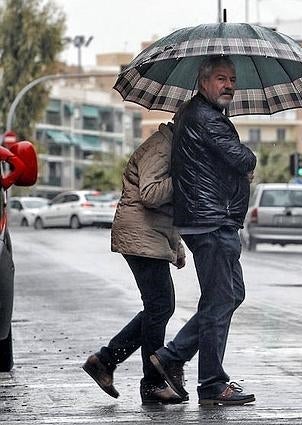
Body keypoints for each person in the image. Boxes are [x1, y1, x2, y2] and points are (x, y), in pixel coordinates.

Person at [150, 55, 257, 406]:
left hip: (214, 219)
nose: (229, 85)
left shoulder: (204, 116)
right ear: (203, 82)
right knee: (220, 300)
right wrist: (248, 158)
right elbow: (241, 160)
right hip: (211, 220)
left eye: (232, 80)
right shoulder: (206, 117)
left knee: (230, 296)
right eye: (222, 79)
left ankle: (173, 356)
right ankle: (211, 383)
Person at [82, 122, 186, 404]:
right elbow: (151, 195)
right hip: (141, 233)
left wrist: (176, 245)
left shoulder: (174, 147)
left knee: (159, 306)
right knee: (160, 306)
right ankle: (151, 383)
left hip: (150, 234)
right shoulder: (162, 147)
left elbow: (167, 208)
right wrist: (183, 175)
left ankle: (105, 360)